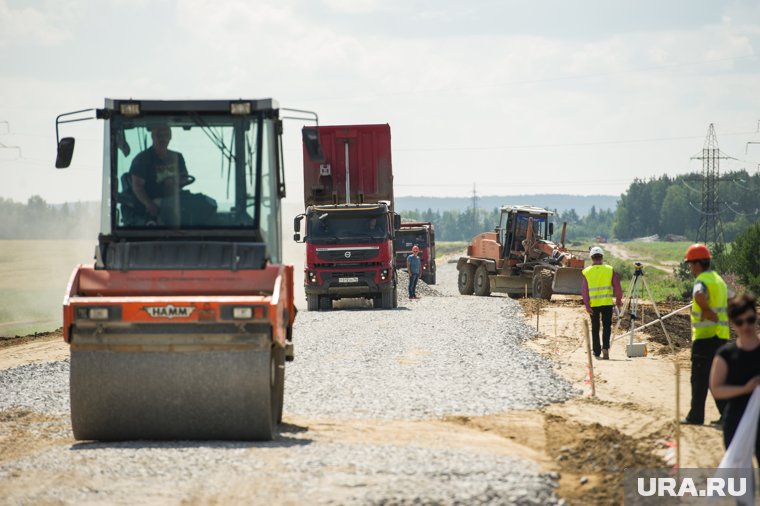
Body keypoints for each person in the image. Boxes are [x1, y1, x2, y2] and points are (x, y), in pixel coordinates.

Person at [682, 243, 730, 426]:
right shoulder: (718, 279)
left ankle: (695, 416)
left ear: (697, 263)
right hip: (722, 336)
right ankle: (726, 416)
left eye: (690, 264)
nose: (690, 268)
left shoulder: (701, 280)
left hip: (705, 338)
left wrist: (706, 310)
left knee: (699, 379)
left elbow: (699, 295)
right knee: (717, 379)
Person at [709, 293, 760, 461]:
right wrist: (745, 389)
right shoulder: (726, 354)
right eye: (740, 322)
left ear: (756, 316)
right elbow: (716, 389)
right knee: (739, 476)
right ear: (733, 324)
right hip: (736, 419)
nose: (746, 326)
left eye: (750, 320)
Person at [129, 125, 190, 221]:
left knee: (200, 202)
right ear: (152, 136)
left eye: (166, 135)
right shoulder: (142, 159)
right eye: (159, 135)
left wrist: (175, 182)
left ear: (170, 137)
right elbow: (137, 187)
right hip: (152, 205)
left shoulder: (177, 157)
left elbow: (185, 178)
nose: (163, 139)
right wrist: (150, 205)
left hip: (174, 201)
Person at [581, 246, 623, 360]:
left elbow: (584, 291)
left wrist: (587, 305)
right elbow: (618, 288)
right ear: (602, 257)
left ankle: (596, 351)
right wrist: (619, 301)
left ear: (591, 258)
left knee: (595, 327)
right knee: (606, 326)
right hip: (607, 304)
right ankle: (605, 347)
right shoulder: (609, 269)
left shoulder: (587, 272)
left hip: (594, 305)